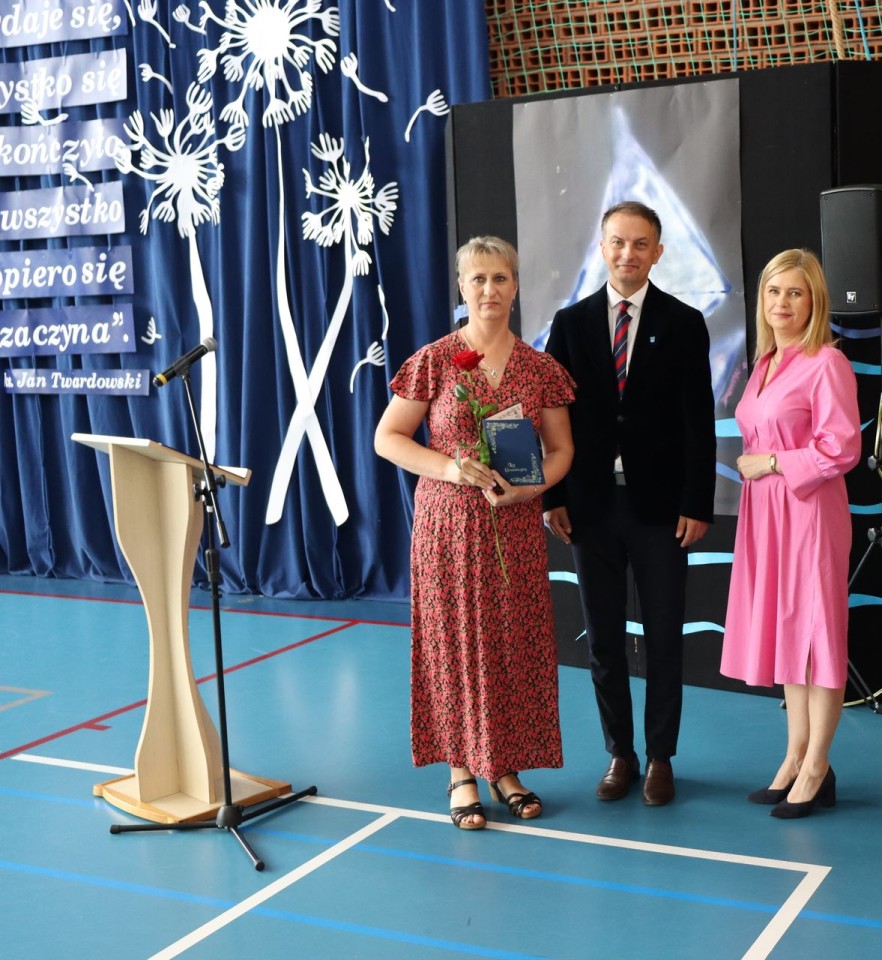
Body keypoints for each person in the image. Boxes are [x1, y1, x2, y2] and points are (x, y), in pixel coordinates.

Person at [374, 236, 575, 829]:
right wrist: (450, 468)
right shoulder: (435, 360)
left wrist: (530, 491)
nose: (490, 289)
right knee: (455, 645)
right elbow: (388, 439)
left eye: (500, 278)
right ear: (462, 287)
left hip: (514, 529)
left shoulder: (540, 368)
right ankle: (461, 769)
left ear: (516, 286)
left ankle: (503, 766)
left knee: (511, 647)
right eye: (478, 279)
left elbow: (562, 451)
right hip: (447, 529)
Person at [543, 200, 716, 807]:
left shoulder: (685, 322)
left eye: (641, 244)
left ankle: (661, 756)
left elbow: (699, 421)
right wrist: (553, 497)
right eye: (618, 242)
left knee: (665, 636)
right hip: (589, 507)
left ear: (658, 252)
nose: (628, 253)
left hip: (662, 509)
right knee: (603, 641)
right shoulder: (569, 323)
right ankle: (621, 752)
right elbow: (551, 419)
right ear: (602, 246)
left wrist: (697, 503)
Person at [720, 248, 861, 819]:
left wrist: (774, 462)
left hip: (809, 514)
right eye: (774, 291)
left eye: (795, 292)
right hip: (766, 515)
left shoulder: (827, 362)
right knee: (788, 632)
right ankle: (794, 756)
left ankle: (817, 765)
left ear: (814, 301)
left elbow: (842, 448)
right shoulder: (764, 364)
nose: (782, 302)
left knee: (816, 634)